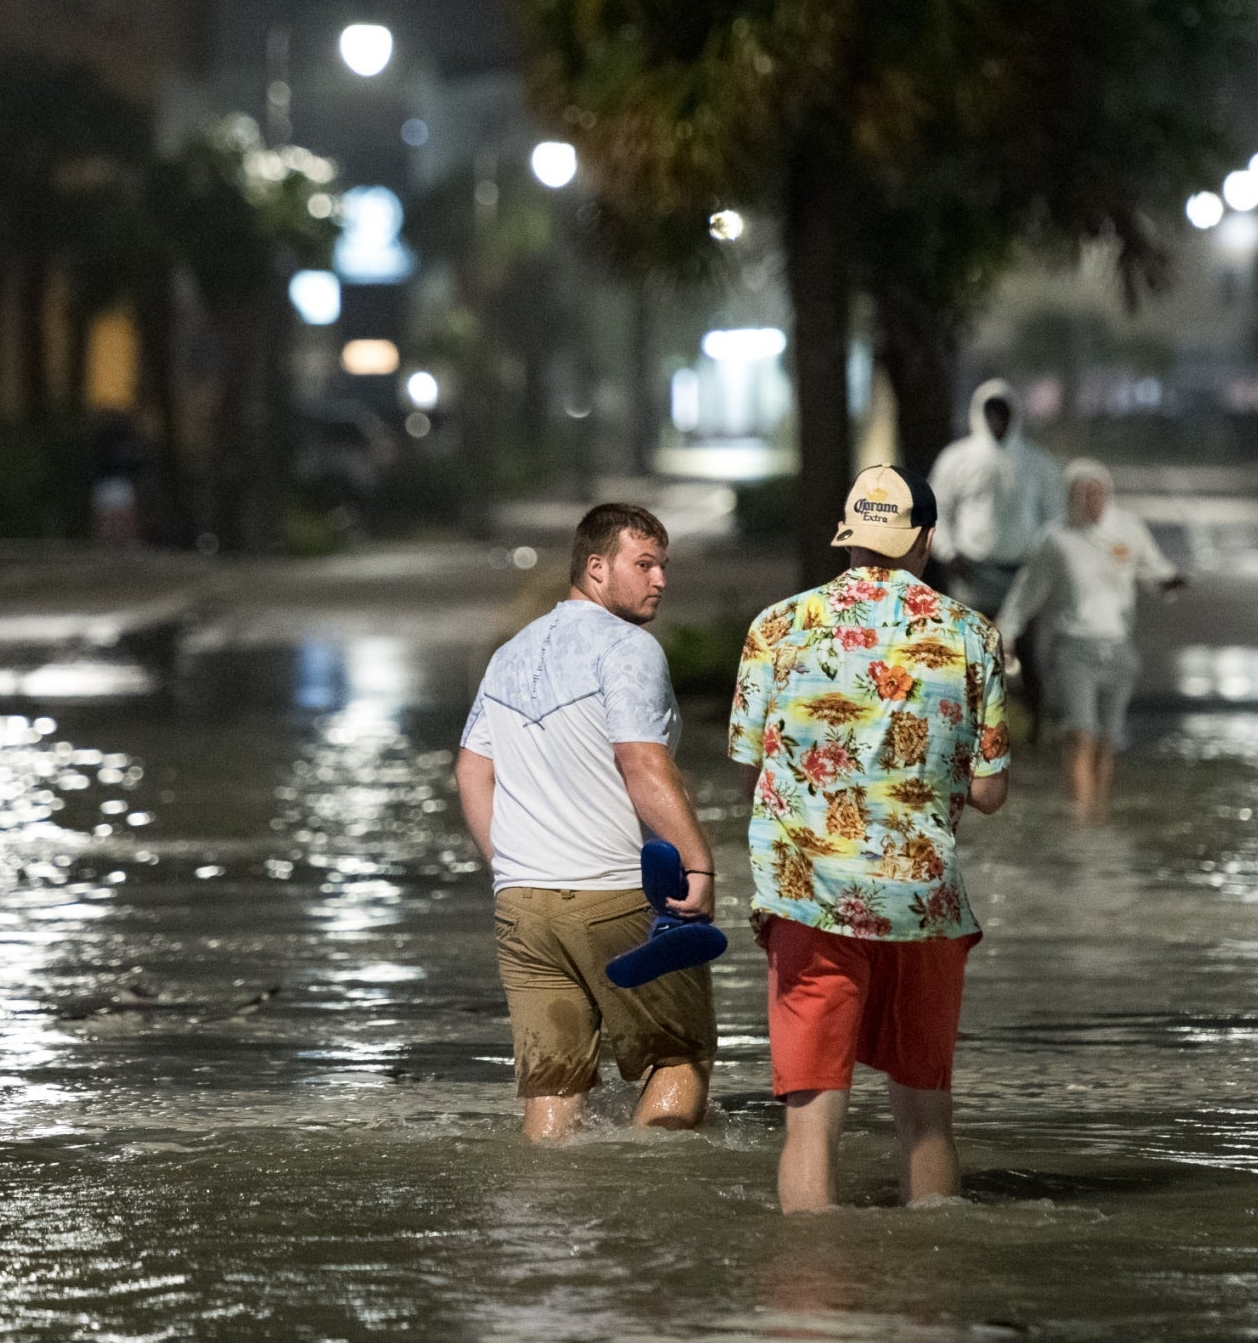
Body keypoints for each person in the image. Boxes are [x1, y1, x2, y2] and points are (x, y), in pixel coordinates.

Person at [728, 463, 1010, 1212]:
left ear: (849, 534)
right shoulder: (972, 635)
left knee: (810, 1130)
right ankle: (927, 1297)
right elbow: (987, 792)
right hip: (924, 904)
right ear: (923, 538)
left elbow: (748, 761)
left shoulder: (777, 627)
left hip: (809, 902)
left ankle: (811, 1302)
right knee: (925, 1122)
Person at [456, 502, 718, 1142]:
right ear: (597, 568)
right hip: (614, 895)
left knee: (554, 1085)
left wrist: (511, 866)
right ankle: (647, 1215)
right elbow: (642, 763)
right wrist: (699, 862)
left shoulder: (511, 654)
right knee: (678, 1056)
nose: (661, 580)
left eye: (663, 566)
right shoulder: (629, 648)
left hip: (524, 907)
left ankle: (545, 1224)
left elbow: (470, 768)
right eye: (645, 564)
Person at [997, 459, 1183, 816]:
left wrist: (1170, 581)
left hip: (1118, 649)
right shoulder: (1056, 540)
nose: (1093, 501)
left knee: (1107, 741)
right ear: (1070, 497)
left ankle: (1098, 809)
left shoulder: (1127, 529)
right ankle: (1082, 821)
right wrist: (1005, 630)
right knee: (1080, 734)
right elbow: (1028, 591)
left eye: (1098, 493)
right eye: (1084, 494)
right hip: (1073, 650)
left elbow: (1153, 568)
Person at [928, 377, 1065, 622]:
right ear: (979, 413)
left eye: (1003, 413)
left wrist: (1044, 559)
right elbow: (936, 508)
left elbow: (1055, 513)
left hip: (1023, 574)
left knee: (1020, 652)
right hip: (973, 573)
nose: (997, 420)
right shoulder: (955, 460)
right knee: (972, 648)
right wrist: (948, 552)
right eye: (991, 413)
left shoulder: (1038, 464)